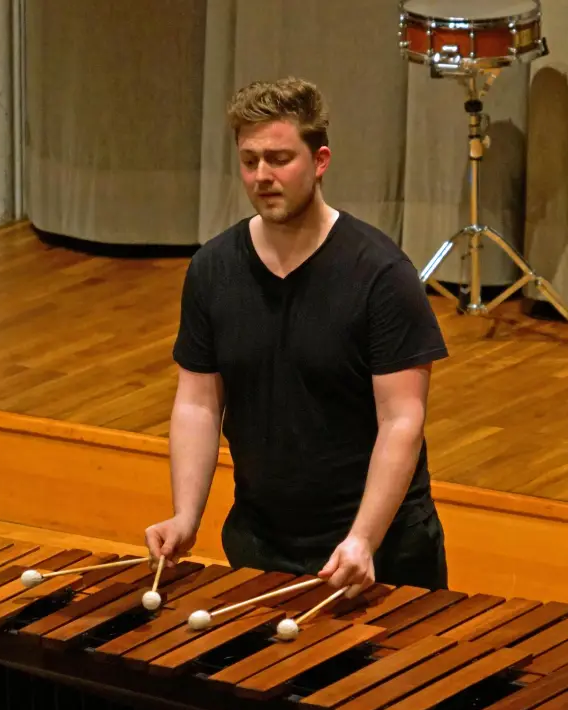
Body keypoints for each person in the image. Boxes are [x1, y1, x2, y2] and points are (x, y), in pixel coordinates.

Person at [143, 76, 450, 592]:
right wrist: (185, 516)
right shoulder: (213, 269)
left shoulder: (380, 275)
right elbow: (197, 403)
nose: (262, 175)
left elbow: (402, 420)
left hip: (381, 554)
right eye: (249, 160)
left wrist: (362, 539)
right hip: (261, 546)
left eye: (279, 159)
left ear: (320, 160)